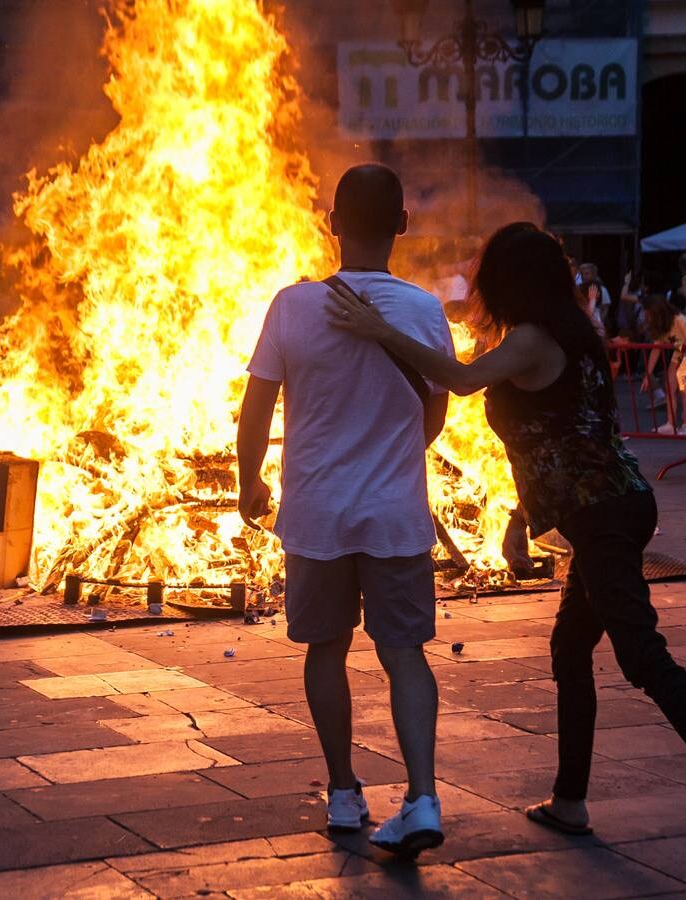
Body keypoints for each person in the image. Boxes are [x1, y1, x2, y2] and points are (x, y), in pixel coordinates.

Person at [326, 221, 686, 876]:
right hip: (603, 507)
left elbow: (457, 379)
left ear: (510, 283)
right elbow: (555, 436)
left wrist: (380, 332)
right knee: (570, 650)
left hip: (603, 516)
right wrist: (520, 516)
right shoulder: (565, 333)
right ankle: (570, 802)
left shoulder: (534, 340)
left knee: (642, 655)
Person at [238, 163, 454, 858]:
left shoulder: (292, 306)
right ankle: (421, 797)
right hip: (395, 516)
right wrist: (394, 459)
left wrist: (251, 483)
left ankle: (342, 791)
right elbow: (437, 409)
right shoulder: (423, 310)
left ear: (332, 223)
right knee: (406, 656)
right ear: (401, 226)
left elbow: (257, 407)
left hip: (316, 515)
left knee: (324, 651)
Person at [641, 293, 686, 436]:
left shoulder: (679, 319)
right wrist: (648, 373)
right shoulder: (660, 325)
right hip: (681, 350)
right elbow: (656, 349)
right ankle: (670, 424)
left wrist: (682, 363)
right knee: (670, 385)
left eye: (647, 312)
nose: (645, 315)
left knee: (684, 388)